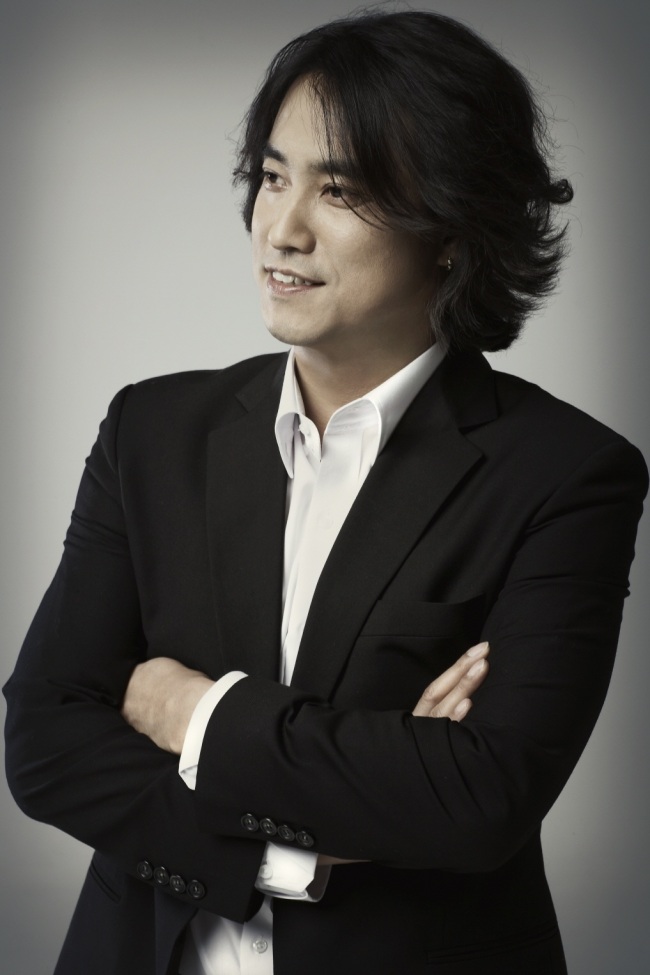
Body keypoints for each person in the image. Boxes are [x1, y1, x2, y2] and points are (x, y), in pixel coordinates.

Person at [4, 9, 647, 975]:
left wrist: (194, 713)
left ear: (451, 227)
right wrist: (298, 846)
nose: (282, 228)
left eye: (340, 190)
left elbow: (481, 800)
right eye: (273, 176)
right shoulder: (152, 431)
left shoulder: (565, 472)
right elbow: (47, 739)